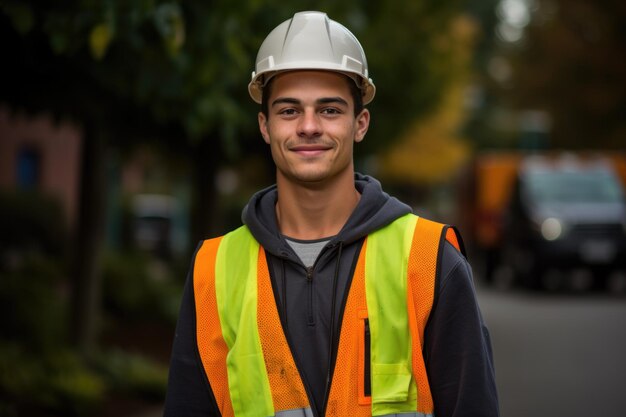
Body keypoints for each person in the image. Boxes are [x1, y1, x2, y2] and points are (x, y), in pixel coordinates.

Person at [164, 11, 499, 417]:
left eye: (329, 110)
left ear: (360, 124)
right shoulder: (213, 271)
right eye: (289, 110)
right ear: (265, 126)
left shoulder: (429, 260)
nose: (308, 126)